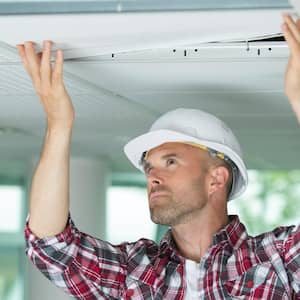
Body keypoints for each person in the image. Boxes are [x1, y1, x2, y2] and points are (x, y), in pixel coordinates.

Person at [17, 14, 300, 300]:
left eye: (171, 162)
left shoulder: (276, 259)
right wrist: (58, 124)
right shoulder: (135, 272)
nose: (152, 176)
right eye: (149, 167)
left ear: (216, 178)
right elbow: (50, 246)